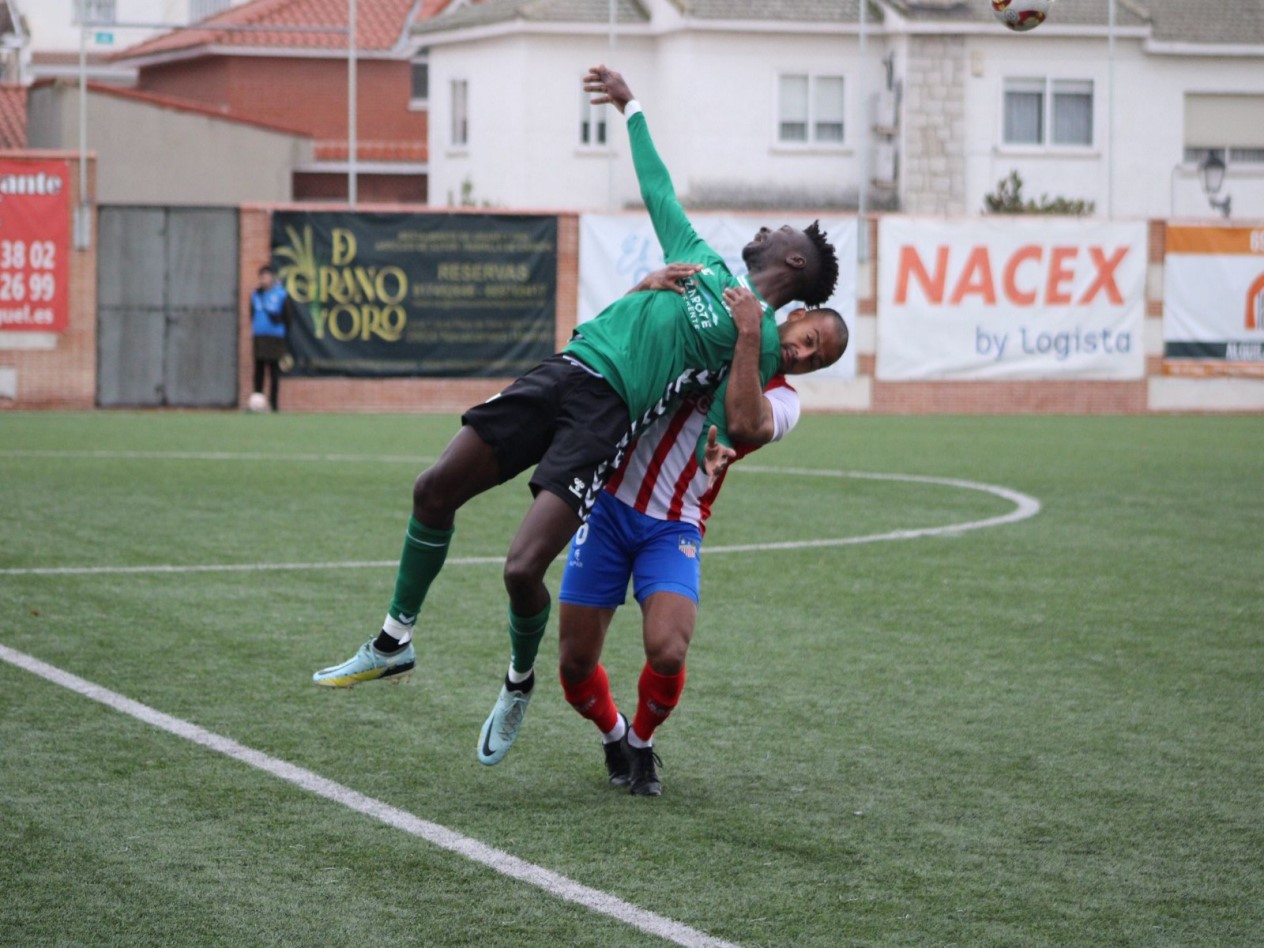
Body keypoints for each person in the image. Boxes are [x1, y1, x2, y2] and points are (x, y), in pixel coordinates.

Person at [311, 65, 847, 771]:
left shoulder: (766, 341)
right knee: (432, 488)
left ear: (792, 258)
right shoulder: (698, 261)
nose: (763, 225)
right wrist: (630, 107)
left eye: (777, 228)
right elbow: (657, 186)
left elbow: (735, 419)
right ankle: (392, 641)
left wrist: (743, 368)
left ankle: (517, 682)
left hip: (605, 419)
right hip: (563, 371)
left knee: (520, 568)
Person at [551, 284, 847, 796]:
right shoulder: (716, 320)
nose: (804, 354)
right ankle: (614, 734)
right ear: (797, 315)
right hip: (607, 507)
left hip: (674, 523)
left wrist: (753, 331)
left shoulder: (783, 399)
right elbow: (637, 337)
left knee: (668, 650)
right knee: (575, 669)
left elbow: (742, 421)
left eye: (816, 359)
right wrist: (648, 287)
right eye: (809, 338)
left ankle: (641, 745)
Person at [250, 264, 290, 412]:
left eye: (267, 276)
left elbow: (288, 317)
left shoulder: (280, 294)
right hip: (259, 337)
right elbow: (252, 314)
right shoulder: (255, 295)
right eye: (262, 276)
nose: (264, 279)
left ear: (272, 277)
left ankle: (274, 405)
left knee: (274, 372)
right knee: (258, 370)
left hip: (275, 338)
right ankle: (257, 404)